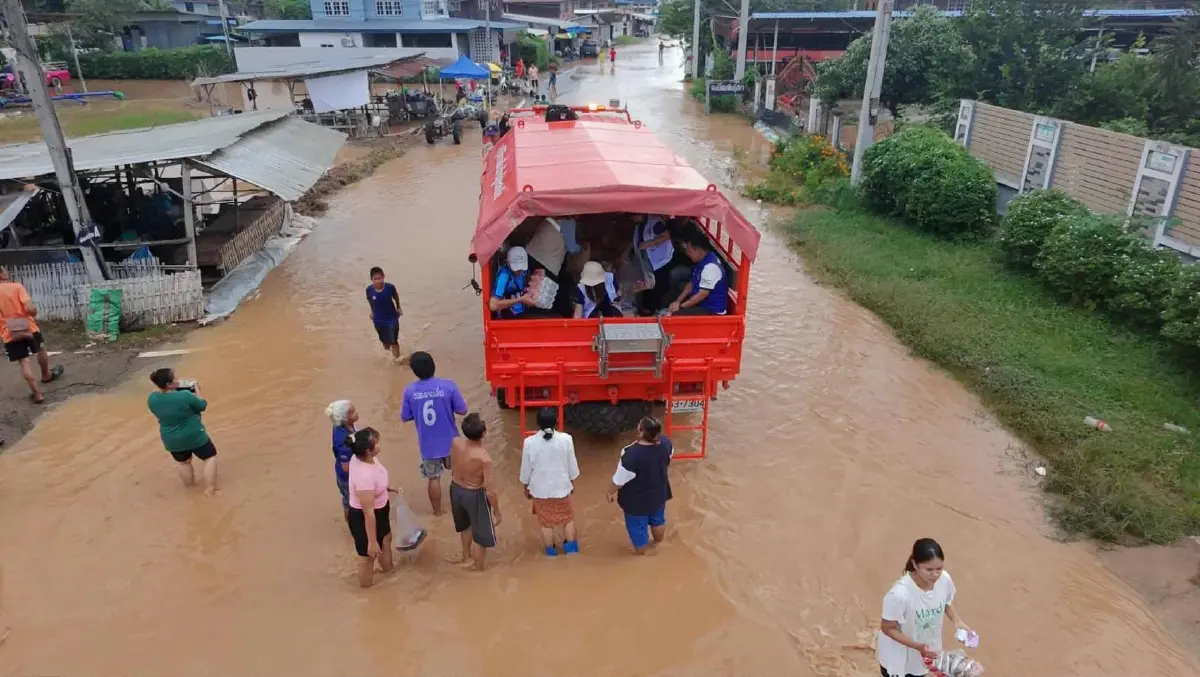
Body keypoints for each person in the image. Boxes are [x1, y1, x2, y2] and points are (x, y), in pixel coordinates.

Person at [878, 538, 972, 677]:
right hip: (900, 660)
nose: (935, 574)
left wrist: (957, 622)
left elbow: (945, 602)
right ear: (915, 565)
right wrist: (918, 647)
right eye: (929, 570)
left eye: (939, 568)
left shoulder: (944, 580)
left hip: (927, 652)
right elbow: (888, 628)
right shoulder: (899, 595)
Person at [400, 351, 468, 515]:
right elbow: (462, 410)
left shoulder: (410, 391)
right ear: (433, 366)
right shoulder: (448, 385)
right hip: (451, 441)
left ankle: (437, 513)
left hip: (428, 445)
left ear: (414, 371)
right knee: (458, 475)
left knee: (434, 478)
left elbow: (405, 416)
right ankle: (460, 509)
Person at [606, 416, 673, 555]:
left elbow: (619, 480)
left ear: (641, 432)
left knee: (638, 532)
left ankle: (642, 558)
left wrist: (609, 492)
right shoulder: (667, 444)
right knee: (658, 521)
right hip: (659, 493)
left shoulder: (630, 454)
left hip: (636, 502)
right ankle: (658, 547)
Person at [147, 367, 218, 496]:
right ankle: (210, 490)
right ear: (169, 384)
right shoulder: (185, 396)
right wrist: (196, 388)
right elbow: (202, 405)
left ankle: (191, 490)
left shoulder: (152, 399)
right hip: (194, 436)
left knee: (184, 462)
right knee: (209, 457)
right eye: (176, 378)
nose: (179, 380)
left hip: (171, 440)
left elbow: (165, 399)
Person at [520, 407, 581, 556]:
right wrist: (571, 483)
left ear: (537, 423)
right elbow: (572, 466)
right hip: (562, 488)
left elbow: (526, 470)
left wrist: (525, 487)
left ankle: (551, 553)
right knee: (567, 519)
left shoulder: (529, 442)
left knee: (546, 523)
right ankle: (571, 551)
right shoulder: (567, 439)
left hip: (540, 490)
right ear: (557, 421)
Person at [0, 266, 63, 404]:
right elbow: (31, 308)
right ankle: (46, 375)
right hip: (28, 327)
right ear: (2, 274)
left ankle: (38, 394)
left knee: (23, 362)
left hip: (9, 332)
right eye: (5, 270)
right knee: (40, 348)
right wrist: (32, 313)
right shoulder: (16, 287)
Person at [346, 427, 398, 588]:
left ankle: (389, 573)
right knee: (368, 556)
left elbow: (377, 477)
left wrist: (387, 487)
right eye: (377, 443)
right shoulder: (364, 477)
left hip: (380, 509)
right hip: (365, 517)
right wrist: (372, 541)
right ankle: (366, 591)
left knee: (386, 540)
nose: (379, 445)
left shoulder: (366, 458)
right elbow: (368, 513)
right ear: (369, 451)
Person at [449, 413, 500, 571]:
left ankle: (466, 555)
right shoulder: (484, 459)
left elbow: (452, 464)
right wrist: (497, 511)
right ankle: (478, 570)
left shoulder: (456, 442)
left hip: (456, 489)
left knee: (465, 526)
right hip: (474, 494)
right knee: (481, 537)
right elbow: (489, 490)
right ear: (484, 433)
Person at [667, 227, 729, 316]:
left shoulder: (710, 267)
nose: (688, 254)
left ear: (700, 250)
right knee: (670, 296)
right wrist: (677, 301)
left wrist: (680, 307)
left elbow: (702, 295)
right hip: (701, 301)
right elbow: (691, 284)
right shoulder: (702, 260)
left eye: (690, 251)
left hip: (710, 310)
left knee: (676, 314)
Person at [325, 399, 358, 527]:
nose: (356, 413)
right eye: (353, 412)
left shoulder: (344, 426)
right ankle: (352, 527)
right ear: (345, 418)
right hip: (347, 478)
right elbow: (346, 467)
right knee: (350, 502)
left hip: (347, 473)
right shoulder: (342, 440)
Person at [635, 214, 675, 314]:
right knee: (647, 282)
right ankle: (647, 307)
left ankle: (655, 309)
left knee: (658, 285)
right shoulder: (639, 224)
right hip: (648, 258)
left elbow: (666, 236)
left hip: (661, 259)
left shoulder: (655, 222)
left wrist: (647, 244)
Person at [365, 266, 403, 361]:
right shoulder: (369, 290)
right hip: (378, 320)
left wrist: (398, 307)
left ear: (384, 277)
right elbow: (370, 300)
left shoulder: (390, 287)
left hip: (392, 318)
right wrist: (372, 311)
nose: (378, 281)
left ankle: (397, 360)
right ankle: (388, 355)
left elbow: (395, 296)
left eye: (380, 278)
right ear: (372, 280)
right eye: (376, 279)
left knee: (394, 341)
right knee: (385, 342)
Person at [489, 246, 535, 319]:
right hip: (507, 318)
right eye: (516, 268)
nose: (519, 270)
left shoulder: (524, 272)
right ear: (508, 262)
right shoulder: (504, 276)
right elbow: (493, 305)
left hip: (522, 314)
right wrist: (521, 299)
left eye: (521, 267)